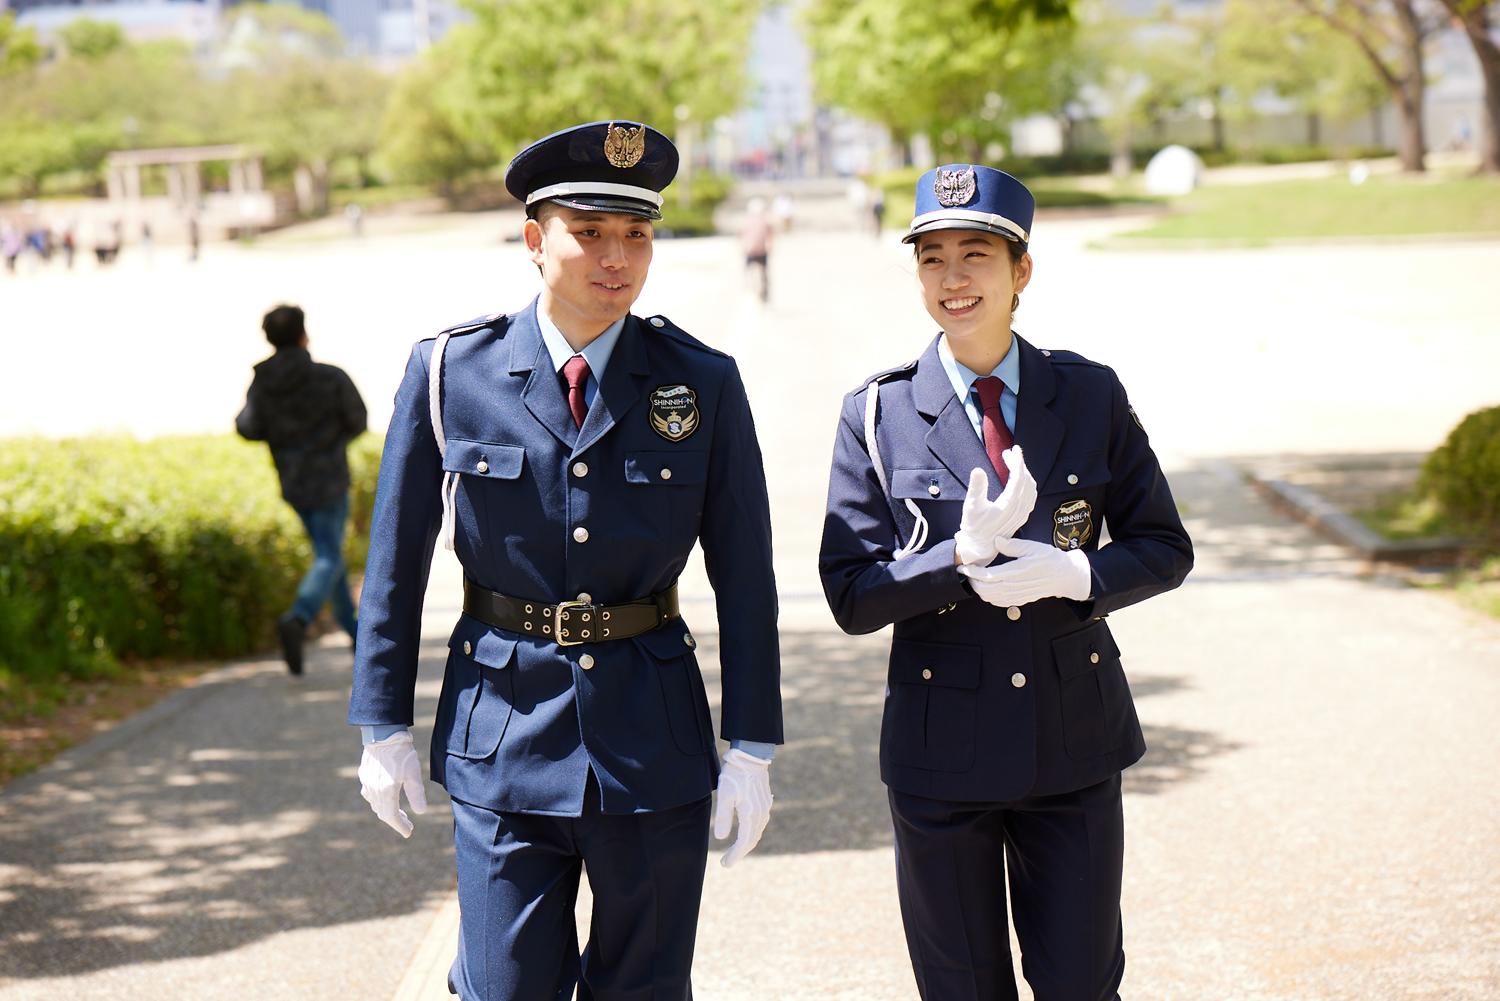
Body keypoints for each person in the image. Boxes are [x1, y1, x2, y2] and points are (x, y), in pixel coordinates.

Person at [347, 120, 784, 1001]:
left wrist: (753, 746)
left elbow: (746, 577)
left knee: (645, 989)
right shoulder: (449, 371)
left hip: (652, 742)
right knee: (503, 988)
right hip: (501, 730)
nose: (615, 256)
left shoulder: (700, 380)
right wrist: (381, 723)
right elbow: (395, 559)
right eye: (590, 232)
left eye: (636, 234)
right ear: (534, 239)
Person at [819, 164, 1193, 1001]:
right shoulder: (877, 414)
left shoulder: (1088, 394)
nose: (954, 279)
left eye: (976, 254)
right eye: (932, 259)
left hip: (1072, 740)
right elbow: (850, 592)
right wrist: (949, 558)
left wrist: (1076, 571)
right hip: (939, 752)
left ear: (1021, 270)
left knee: (1082, 985)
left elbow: (1165, 545)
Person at [235, 304, 367, 675]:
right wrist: (328, 440)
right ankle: (299, 617)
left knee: (330, 557)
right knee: (328, 555)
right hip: (329, 477)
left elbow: (247, 427)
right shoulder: (328, 377)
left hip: (292, 480)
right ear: (302, 334)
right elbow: (358, 419)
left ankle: (359, 637)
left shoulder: (263, 383)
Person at [740, 196, 773, 303]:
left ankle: (758, 291)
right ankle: (755, 290)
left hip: (755, 250)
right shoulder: (760, 221)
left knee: (758, 271)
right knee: (757, 271)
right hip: (756, 250)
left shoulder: (759, 221)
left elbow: (769, 236)